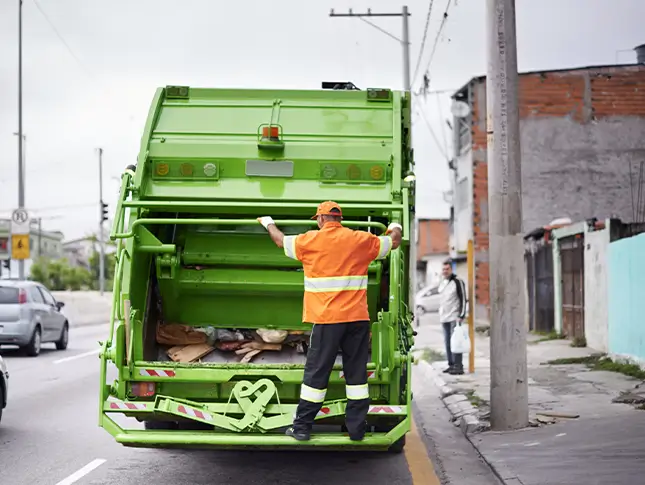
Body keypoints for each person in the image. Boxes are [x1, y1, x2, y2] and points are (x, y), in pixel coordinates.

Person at [257, 201, 402, 441]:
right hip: (357, 319)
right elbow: (394, 241)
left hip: (327, 320)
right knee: (356, 376)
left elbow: (280, 241)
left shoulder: (310, 240)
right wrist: (395, 223)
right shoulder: (360, 240)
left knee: (317, 373)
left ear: (321, 219)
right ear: (339, 219)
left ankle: (302, 427)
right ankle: (356, 429)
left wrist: (268, 222)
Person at [438, 260, 467, 375]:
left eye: (447, 269)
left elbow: (463, 299)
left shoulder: (457, 282)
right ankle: (451, 364)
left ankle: (458, 366)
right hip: (444, 317)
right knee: (448, 343)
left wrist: (461, 315)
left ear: (452, 269)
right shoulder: (443, 283)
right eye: (443, 269)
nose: (445, 271)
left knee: (456, 343)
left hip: (454, 317)